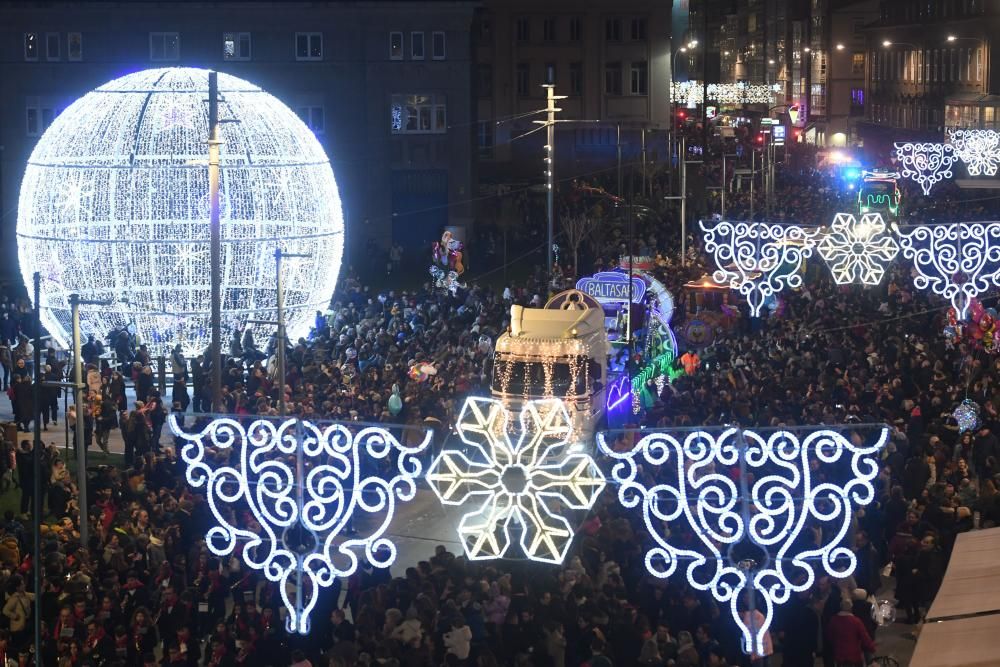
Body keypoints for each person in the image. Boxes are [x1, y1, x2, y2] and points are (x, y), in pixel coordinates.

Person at [824, 599, 875, 667]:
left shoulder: (833, 620)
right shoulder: (856, 621)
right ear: (851, 608)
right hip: (854, 656)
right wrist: (872, 648)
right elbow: (864, 636)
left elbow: (830, 636)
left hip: (839, 655)